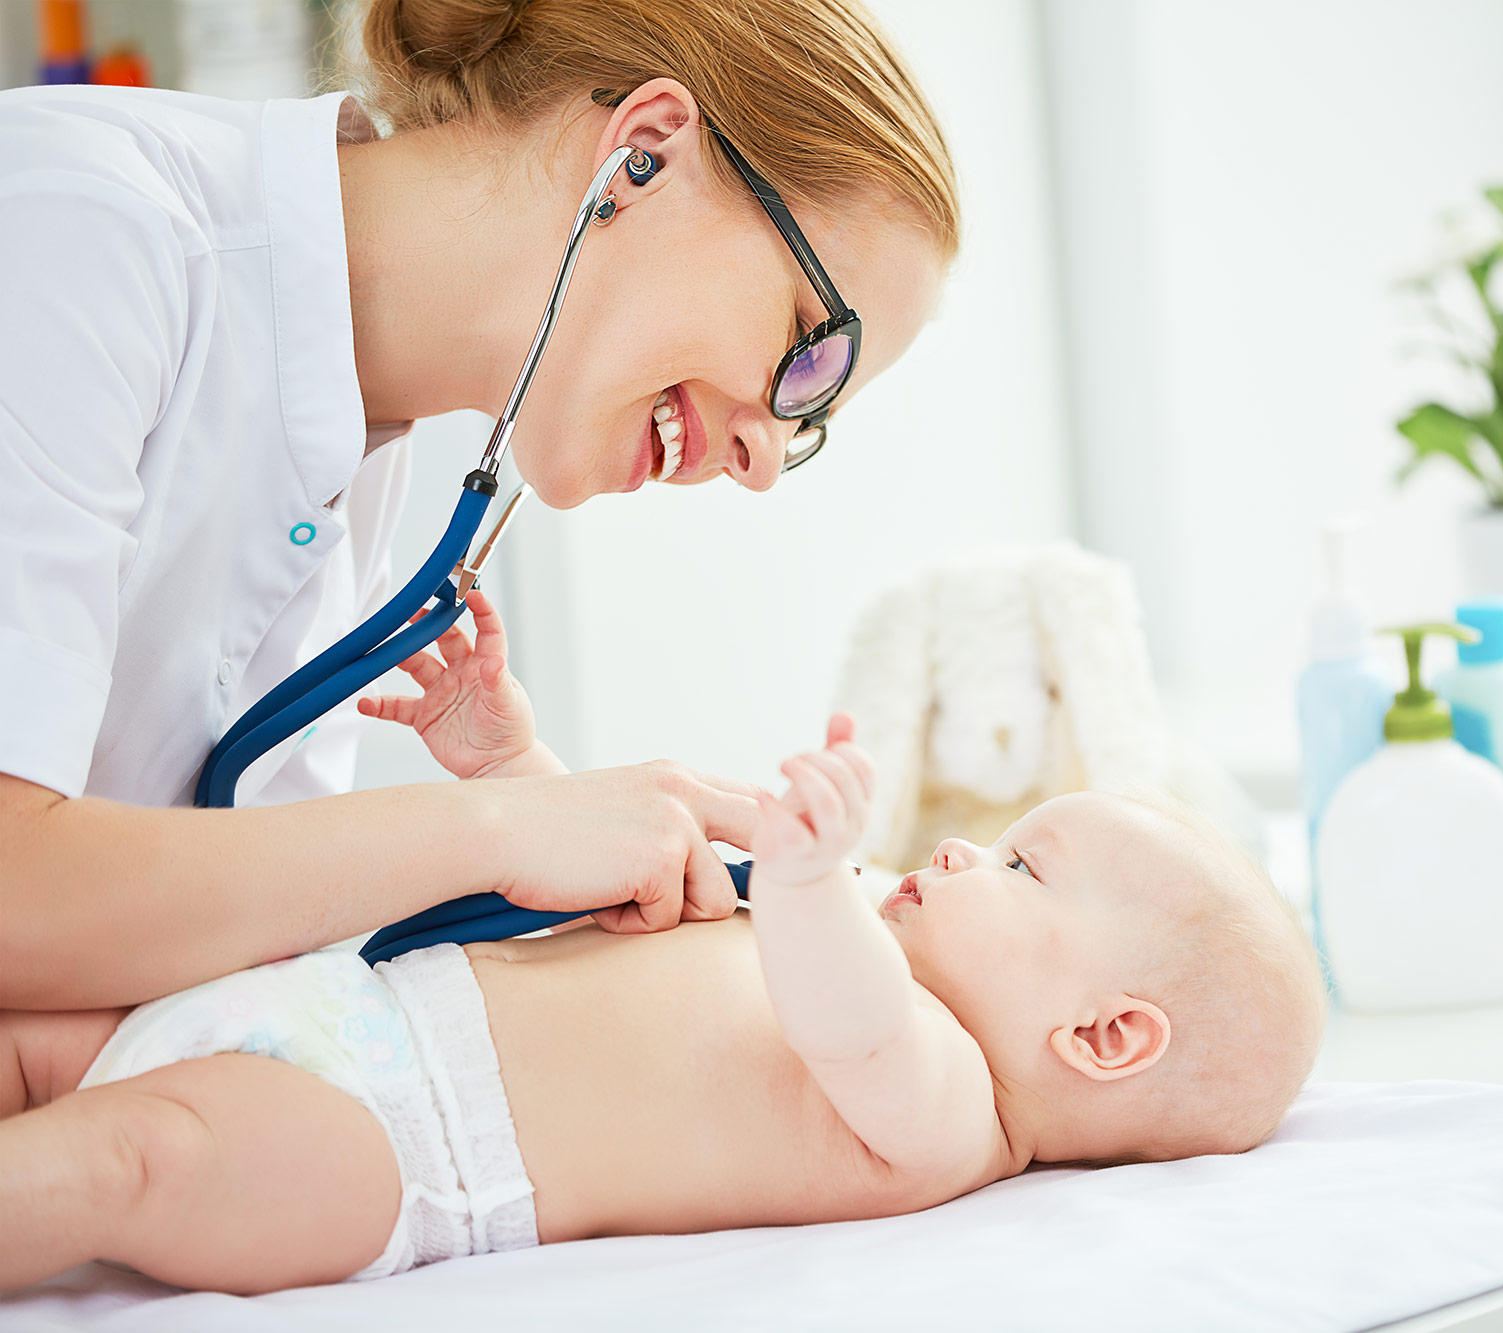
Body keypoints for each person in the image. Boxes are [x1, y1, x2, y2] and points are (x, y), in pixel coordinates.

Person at [0, 0, 958, 1012]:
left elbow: (190, 984)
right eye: (812, 351)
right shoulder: (79, 229)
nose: (763, 462)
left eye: (810, 421)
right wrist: (501, 833)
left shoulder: (356, 456)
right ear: (646, 151)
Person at [0, 701, 1327, 1292]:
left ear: (1103, 1035)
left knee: (133, 1159)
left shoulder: (952, 1111)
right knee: (45, 1043)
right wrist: (512, 758)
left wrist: (804, 877)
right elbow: (631, 883)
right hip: (339, 995)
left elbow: (846, 1024)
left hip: (395, 1149)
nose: (967, 848)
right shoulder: (855, 918)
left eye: (1025, 866)